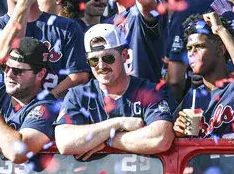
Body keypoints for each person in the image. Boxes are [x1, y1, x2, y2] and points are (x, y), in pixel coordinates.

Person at [55, 24, 174, 159]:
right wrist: (118, 124)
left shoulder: (149, 91)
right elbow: (64, 142)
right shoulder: (77, 95)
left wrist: (106, 140)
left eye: (108, 58)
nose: (101, 66)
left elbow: (161, 138)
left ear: (124, 55)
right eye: (94, 60)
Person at [148, 0, 234, 101]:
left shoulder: (186, 9)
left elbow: (175, 80)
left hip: (212, 97)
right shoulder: (226, 3)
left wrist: (174, 111)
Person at [173, 13, 234, 138]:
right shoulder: (192, 96)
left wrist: (220, 30)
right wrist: (177, 132)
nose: (192, 53)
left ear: (220, 50)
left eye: (200, 46)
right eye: (189, 48)